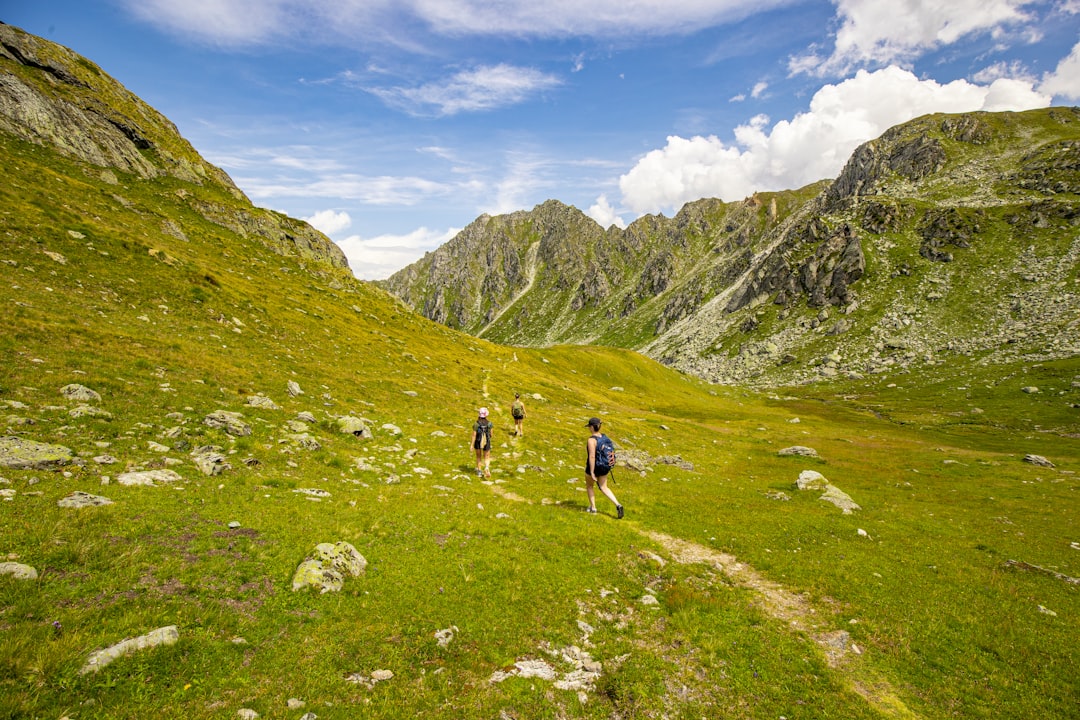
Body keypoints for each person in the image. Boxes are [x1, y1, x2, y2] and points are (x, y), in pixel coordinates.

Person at [584, 417, 623, 518]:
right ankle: (618, 505)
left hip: (595, 466)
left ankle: (593, 508)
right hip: (604, 466)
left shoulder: (591, 440)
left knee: (589, 486)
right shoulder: (605, 437)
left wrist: (592, 472)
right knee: (604, 487)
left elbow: (592, 456)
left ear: (592, 427)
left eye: (589, 427)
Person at [471, 407, 493, 478]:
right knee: (487, 456)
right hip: (486, 441)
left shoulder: (476, 424)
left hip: (478, 441)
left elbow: (474, 435)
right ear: (486, 415)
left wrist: (471, 445)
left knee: (478, 456)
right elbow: (491, 434)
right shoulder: (489, 423)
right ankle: (486, 467)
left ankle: (479, 472)